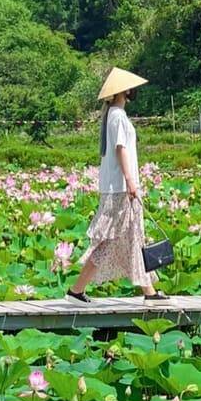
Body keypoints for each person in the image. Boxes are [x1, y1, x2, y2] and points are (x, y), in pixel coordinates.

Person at [68, 67, 167, 303]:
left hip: (118, 187)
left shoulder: (111, 115)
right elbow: (121, 149)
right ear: (125, 91)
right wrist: (132, 181)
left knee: (134, 237)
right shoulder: (118, 117)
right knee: (110, 240)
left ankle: (148, 291)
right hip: (121, 188)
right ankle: (76, 289)